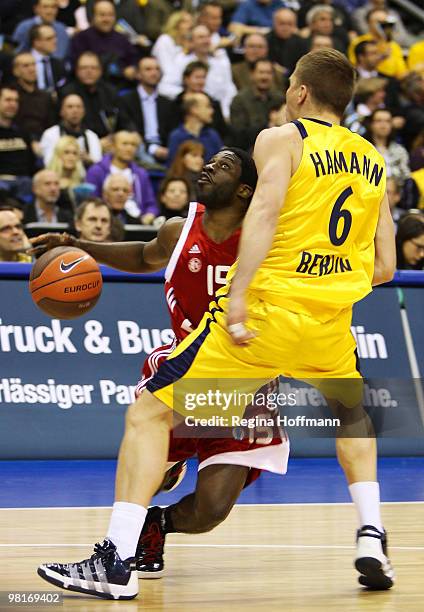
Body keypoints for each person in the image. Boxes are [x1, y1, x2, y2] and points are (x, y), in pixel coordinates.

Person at [34, 49, 397, 600]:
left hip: (266, 316)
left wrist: (243, 295)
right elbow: (387, 266)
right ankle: (371, 532)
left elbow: (268, 211)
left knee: (148, 414)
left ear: (299, 93)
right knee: (353, 412)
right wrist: (330, 281)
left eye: (288, 88)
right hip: (329, 323)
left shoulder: (281, 139)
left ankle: (113, 561)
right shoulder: (372, 156)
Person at [33, 147, 288, 587]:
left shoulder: (269, 238)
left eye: (223, 165)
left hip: (245, 382)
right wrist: (80, 247)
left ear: (246, 190)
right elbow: (144, 256)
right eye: (210, 161)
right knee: (145, 444)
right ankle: (115, 556)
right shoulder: (178, 229)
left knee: (211, 510)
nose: (208, 166)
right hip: (186, 365)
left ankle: (159, 524)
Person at [159, 24, 237, 121]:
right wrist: (188, 96)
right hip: (189, 113)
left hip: (216, 111)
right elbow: (164, 87)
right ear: (192, 41)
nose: (206, 40)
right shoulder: (181, 60)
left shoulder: (221, 61)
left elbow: (229, 89)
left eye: (208, 36)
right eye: (201, 37)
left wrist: (226, 113)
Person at [86, 131, 159, 224]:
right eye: (125, 144)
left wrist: (149, 216)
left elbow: (151, 204)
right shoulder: (96, 171)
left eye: (133, 145)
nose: (129, 148)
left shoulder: (141, 174)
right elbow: (91, 201)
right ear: (113, 146)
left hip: (137, 223)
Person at [116, 57, 174, 164]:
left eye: (157, 69)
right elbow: (129, 128)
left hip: (164, 149)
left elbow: (171, 132)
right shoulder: (126, 100)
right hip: (138, 148)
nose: (154, 73)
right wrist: (152, 148)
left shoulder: (167, 103)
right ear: (138, 74)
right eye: (148, 69)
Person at [70, 0, 137, 86]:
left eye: (110, 15)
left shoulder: (122, 39)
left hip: (119, 87)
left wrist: (131, 69)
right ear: (93, 16)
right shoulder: (81, 38)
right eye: (102, 15)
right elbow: (75, 67)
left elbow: (134, 60)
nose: (107, 19)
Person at [59, 52, 120, 142]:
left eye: (93, 68)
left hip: (109, 142)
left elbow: (120, 121)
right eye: (84, 68)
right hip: (78, 141)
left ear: (100, 71)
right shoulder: (67, 93)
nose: (89, 71)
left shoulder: (110, 92)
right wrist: (95, 143)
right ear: (76, 71)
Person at [230, 58, 284, 150]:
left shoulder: (279, 98)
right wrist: (269, 126)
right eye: (261, 72)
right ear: (252, 74)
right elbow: (239, 135)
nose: (265, 77)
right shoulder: (240, 100)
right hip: (250, 151)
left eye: (268, 73)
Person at [39, 94, 102, 166]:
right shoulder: (50, 134)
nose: (75, 111)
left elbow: (98, 166)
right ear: (61, 112)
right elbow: (48, 164)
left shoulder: (92, 136)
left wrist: (88, 160)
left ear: (83, 112)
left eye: (79, 107)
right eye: (70, 107)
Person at [348, 8, 408, 79]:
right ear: (369, 24)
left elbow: (402, 72)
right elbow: (355, 69)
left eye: (385, 21)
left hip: (391, 84)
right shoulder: (358, 43)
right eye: (379, 22)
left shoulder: (393, 45)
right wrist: (380, 58)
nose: (384, 25)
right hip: (367, 83)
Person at [167, 93, 223, 166]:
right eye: (208, 106)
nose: (212, 111)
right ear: (194, 109)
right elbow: (174, 168)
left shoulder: (213, 135)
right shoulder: (176, 137)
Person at [0, 85, 35, 200]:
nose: (13, 104)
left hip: (24, 182)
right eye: (8, 100)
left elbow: (31, 163)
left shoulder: (23, 132)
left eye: (16, 101)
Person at [12, 52, 56, 142]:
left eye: (33, 65)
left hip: (44, 141)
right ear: (16, 71)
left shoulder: (46, 97)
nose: (32, 69)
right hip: (18, 141)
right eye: (26, 66)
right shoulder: (11, 96)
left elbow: (52, 126)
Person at [364, 108, 410, 185]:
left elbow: (406, 177)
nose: (383, 125)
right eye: (379, 121)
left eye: (387, 121)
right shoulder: (362, 149)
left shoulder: (400, 151)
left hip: (395, 194)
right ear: (371, 124)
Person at [47, 136, 87, 211]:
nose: (71, 157)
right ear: (58, 155)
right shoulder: (47, 179)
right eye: (66, 152)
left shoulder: (81, 182)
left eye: (75, 153)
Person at [266, 8, 308, 77]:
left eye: (290, 24)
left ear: (295, 25)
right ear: (274, 23)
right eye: (282, 24)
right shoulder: (266, 40)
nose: (285, 28)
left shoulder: (301, 43)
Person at [152, 11, 194, 76]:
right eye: (185, 22)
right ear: (175, 24)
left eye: (191, 21)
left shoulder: (188, 44)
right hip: (166, 82)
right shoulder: (164, 40)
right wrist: (184, 52)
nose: (190, 25)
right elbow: (167, 70)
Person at [29, 23, 67, 94]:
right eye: (49, 39)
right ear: (37, 42)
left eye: (55, 37)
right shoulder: (24, 62)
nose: (55, 41)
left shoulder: (58, 64)